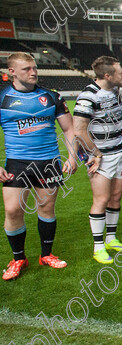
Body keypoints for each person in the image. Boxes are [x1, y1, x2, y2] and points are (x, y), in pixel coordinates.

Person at [0, 52, 87, 280]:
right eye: (27, 69)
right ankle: (18, 258)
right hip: (16, 163)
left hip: (48, 162)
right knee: (12, 210)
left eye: (34, 67)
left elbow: (68, 129)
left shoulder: (52, 97)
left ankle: (46, 254)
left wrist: (71, 156)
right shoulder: (2, 98)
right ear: (11, 72)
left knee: (46, 208)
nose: (33, 72)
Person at [74, 56, 122, 264]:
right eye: (119, 72)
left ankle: (111, 239)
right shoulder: (88, 96)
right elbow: (79, 131)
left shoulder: (115, 90)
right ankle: (98, 248)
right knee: (101, 200)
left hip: (120, 152)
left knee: (116, 197)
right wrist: (95, 154)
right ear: (107, 75)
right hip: (101, 157)